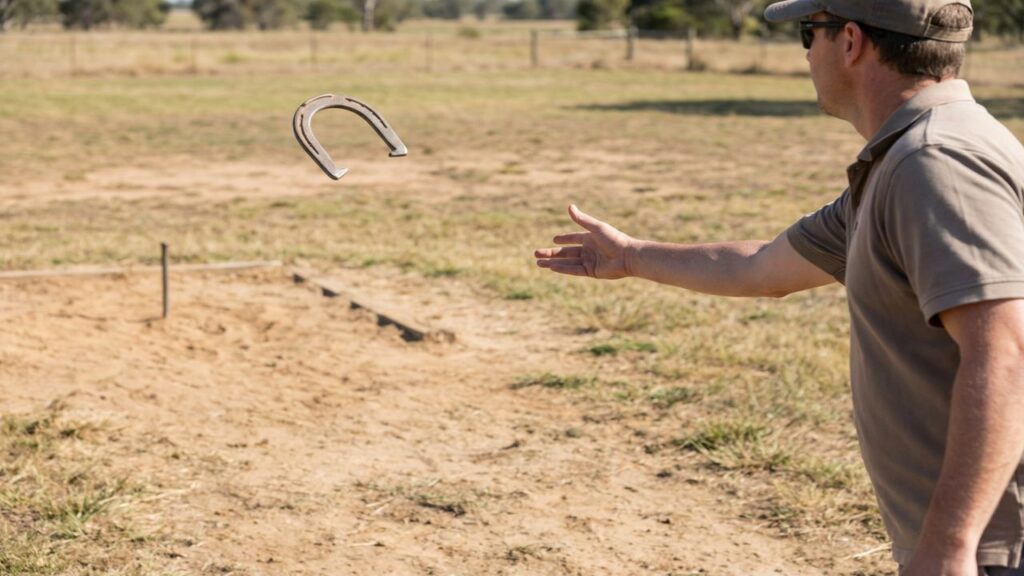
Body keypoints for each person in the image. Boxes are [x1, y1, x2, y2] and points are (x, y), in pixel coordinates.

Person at [534, 1, 1024, 574]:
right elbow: (764, 268)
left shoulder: (934, 162)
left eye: (808, 33)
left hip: (993, 550)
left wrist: (951, 545)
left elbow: (1006, 351)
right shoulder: (908, 156)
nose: (807, 55)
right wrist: (632, 256)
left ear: (850, 41)